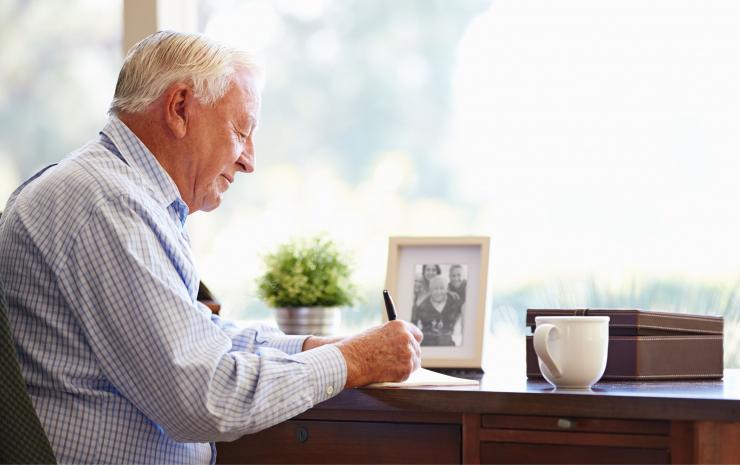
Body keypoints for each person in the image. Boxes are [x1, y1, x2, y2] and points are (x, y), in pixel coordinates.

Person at [0, 31, 422, 464]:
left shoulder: (118, 194)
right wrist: (352, 361)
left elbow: (199, 338)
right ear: (180, 108)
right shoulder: (106, 203)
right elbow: (205, 397)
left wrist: (316, 347)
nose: (249, 160)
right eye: (241, 131)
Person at [411, 275, 463, 347]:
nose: (439, 292)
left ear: (446, 289)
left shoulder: (454, 301)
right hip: (427, 345)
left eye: (442, 288)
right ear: (430, 290)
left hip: (449, 344)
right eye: (435, 289)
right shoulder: (422, 306)